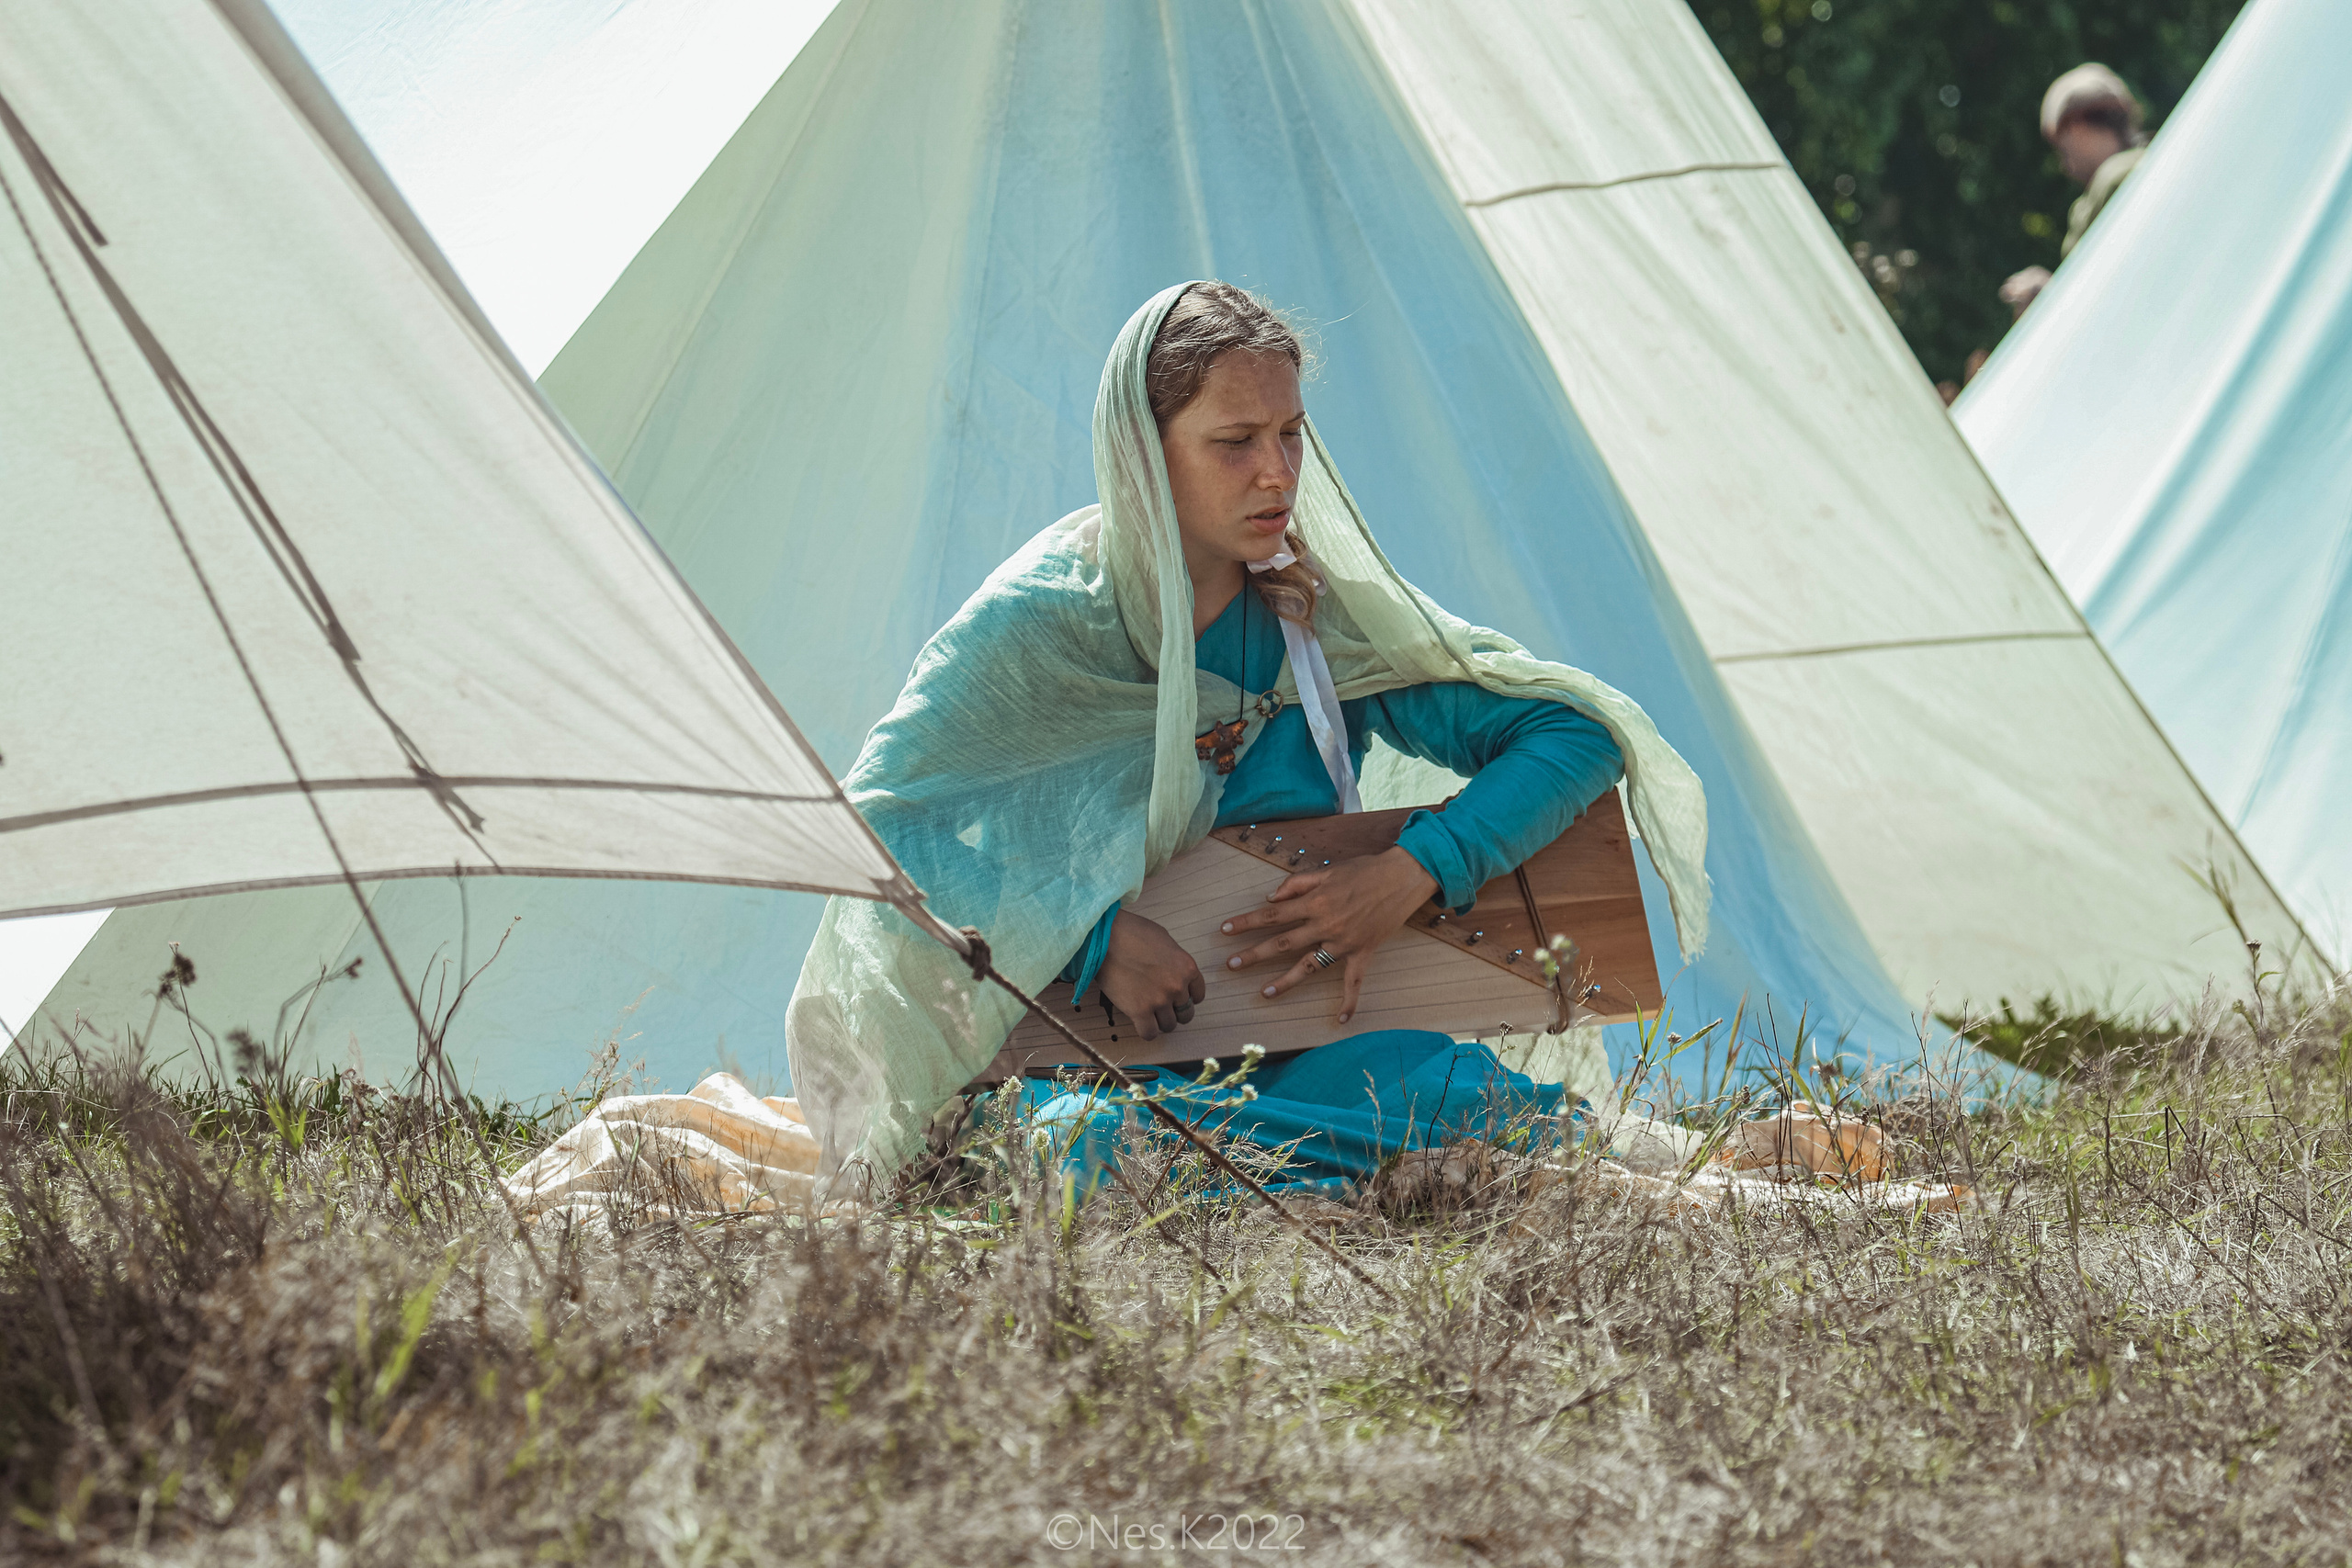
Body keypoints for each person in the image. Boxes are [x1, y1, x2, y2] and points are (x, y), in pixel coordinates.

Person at [786, 283, 1710, 1200]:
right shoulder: (1044, 622)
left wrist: (1412, 871)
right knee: (1088, 1150)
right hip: (1069, 1069)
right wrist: (1091, 941)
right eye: (1234, 443)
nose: (1276, 472)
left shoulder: (1313, 618)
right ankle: (1362, 1170)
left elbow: (1572, 733)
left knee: (1444, 1094)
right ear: (1145, 453)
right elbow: (874, 829)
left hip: (1288, 1055)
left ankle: (1329, 1161)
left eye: (1291, 434)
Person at [2042, 63, 2151, 260]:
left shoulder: (2113, 180)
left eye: (2061, 149)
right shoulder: (2160, 159)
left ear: (2074, 129)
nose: (2065, 166)